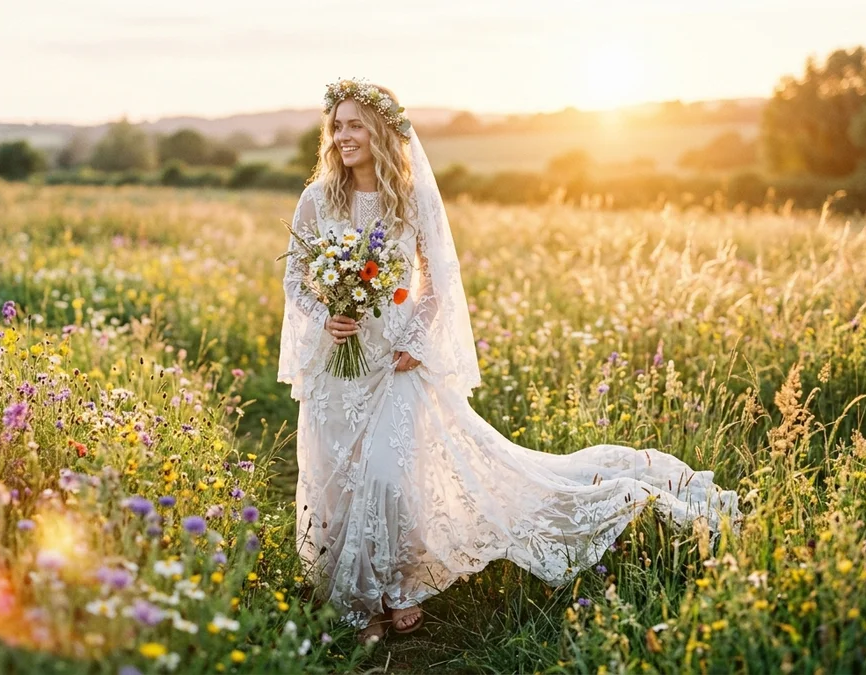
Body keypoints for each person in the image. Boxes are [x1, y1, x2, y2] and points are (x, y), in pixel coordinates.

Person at [277, 78, 740, 645]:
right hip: (339, 363)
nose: (343, 136)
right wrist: (326, 316)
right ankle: (355, 592)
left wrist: (414, 342)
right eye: (337, 125)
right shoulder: (317, 200)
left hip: (395, 360)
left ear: (379, 131)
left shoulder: (410, 195)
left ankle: (395, 587)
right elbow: (295, 281)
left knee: (389, 477)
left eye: (354, 124)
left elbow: (434, 287)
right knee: (337, 476)